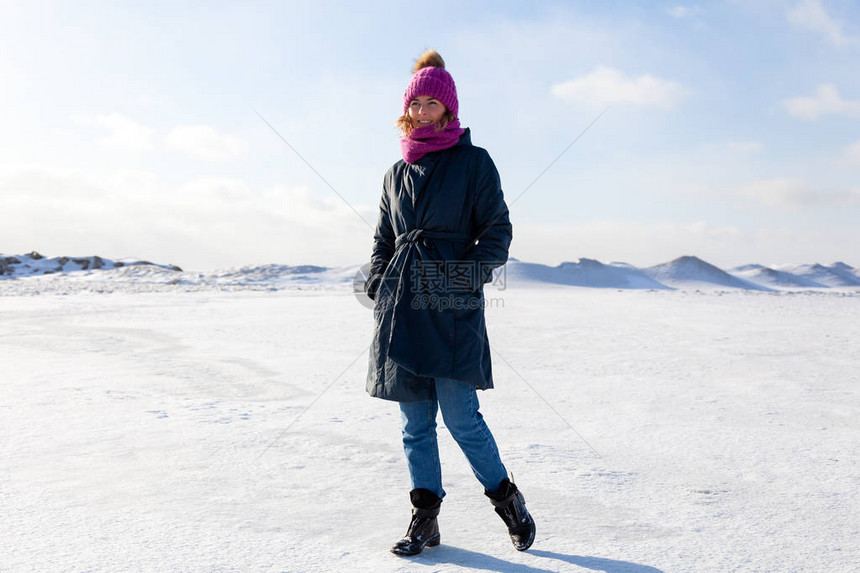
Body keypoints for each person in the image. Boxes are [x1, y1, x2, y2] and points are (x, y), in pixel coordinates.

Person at [364, 49, 536, 557]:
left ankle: (509, 501)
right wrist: (380, 285)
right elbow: (382, 240)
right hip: (402, 308)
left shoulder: (473, 162)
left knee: (461, 416)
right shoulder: (395, 172)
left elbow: (497, 230)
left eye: (432, 102)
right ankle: (426, 519)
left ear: (450, 108)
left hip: (450, 303)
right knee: (415, 424)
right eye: (416, 102)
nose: (423, 110)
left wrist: (462, 279)